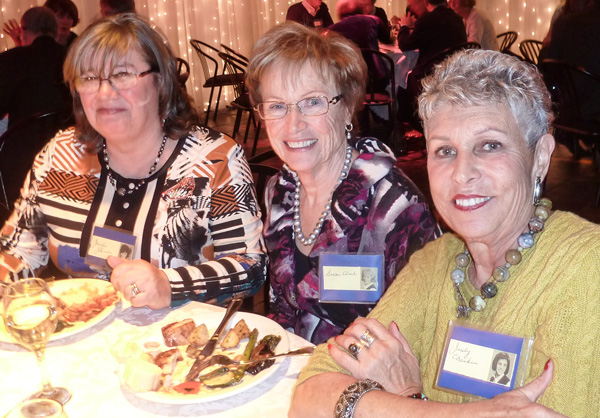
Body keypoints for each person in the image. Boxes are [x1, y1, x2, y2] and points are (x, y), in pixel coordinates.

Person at [290, 49, 600, 417]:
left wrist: (404, 397)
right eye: (445, 151)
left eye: (490, 145)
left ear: (541, 158)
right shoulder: (435, 263)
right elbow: (309, 394)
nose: (462, 173)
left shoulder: (586, 270)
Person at [0, 14, 267, 311]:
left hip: (180, 343)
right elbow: (19, 250)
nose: (104, 92)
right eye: (89, 78)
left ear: (161, 83)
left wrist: (170, 284)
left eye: (123, 74)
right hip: (83, 341)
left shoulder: (214, 160)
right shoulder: (61, 155)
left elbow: (251, 268)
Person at [245, 22, 439, 345]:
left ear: (347, 107)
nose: (294, 124)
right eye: (278, 106)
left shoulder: (395, 206)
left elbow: (424, 335)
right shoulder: (280, 193)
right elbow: (282, 311)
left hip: (365, 387)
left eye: (313, 102)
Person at [0, 7, 71, 130]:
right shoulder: (72, 57)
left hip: (23, 142)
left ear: (24, 31)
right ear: (55, 31)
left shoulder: (10, 59)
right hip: (69, 140)